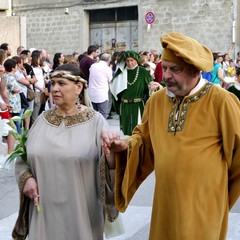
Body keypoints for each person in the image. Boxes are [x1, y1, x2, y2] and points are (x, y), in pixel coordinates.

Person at [101, 32, 240, 239]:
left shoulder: (222, 101)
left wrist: (218, 198)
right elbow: (144, 141)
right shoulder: (156, 101)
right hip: (165, 203)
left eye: (175, 69)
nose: (166, 76)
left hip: (204, 206)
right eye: (164, 67)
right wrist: (125, 145)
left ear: (195, 71)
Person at [13, 64, 120, 240]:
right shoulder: (42, 120)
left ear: (79, 87)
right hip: (43, 211)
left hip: (81, 212)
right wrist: (27, 178)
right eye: (53, 83)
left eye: (61, 83)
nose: (54, 88)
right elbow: (23, 158)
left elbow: (111, 167)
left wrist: (111, 154)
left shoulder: (95, 122)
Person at [110, 50, 153, 136]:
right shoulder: (121, 73)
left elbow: (150, 90)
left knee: (138, 131)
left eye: (132, 60)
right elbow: (115, 93)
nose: (129, 63)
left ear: (136, 60)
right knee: (126, 132)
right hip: (125, 106)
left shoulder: (143, 72)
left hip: (137, 106)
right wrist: (118, 107)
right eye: (127, 60)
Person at [88, 53, 113, 119]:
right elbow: (110, 80)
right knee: (103, 115)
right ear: (109, 60)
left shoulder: (93, 66)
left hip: (92, 93)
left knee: (94, 115)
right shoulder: (107, 69)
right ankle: (101, 129)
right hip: (102, 95)